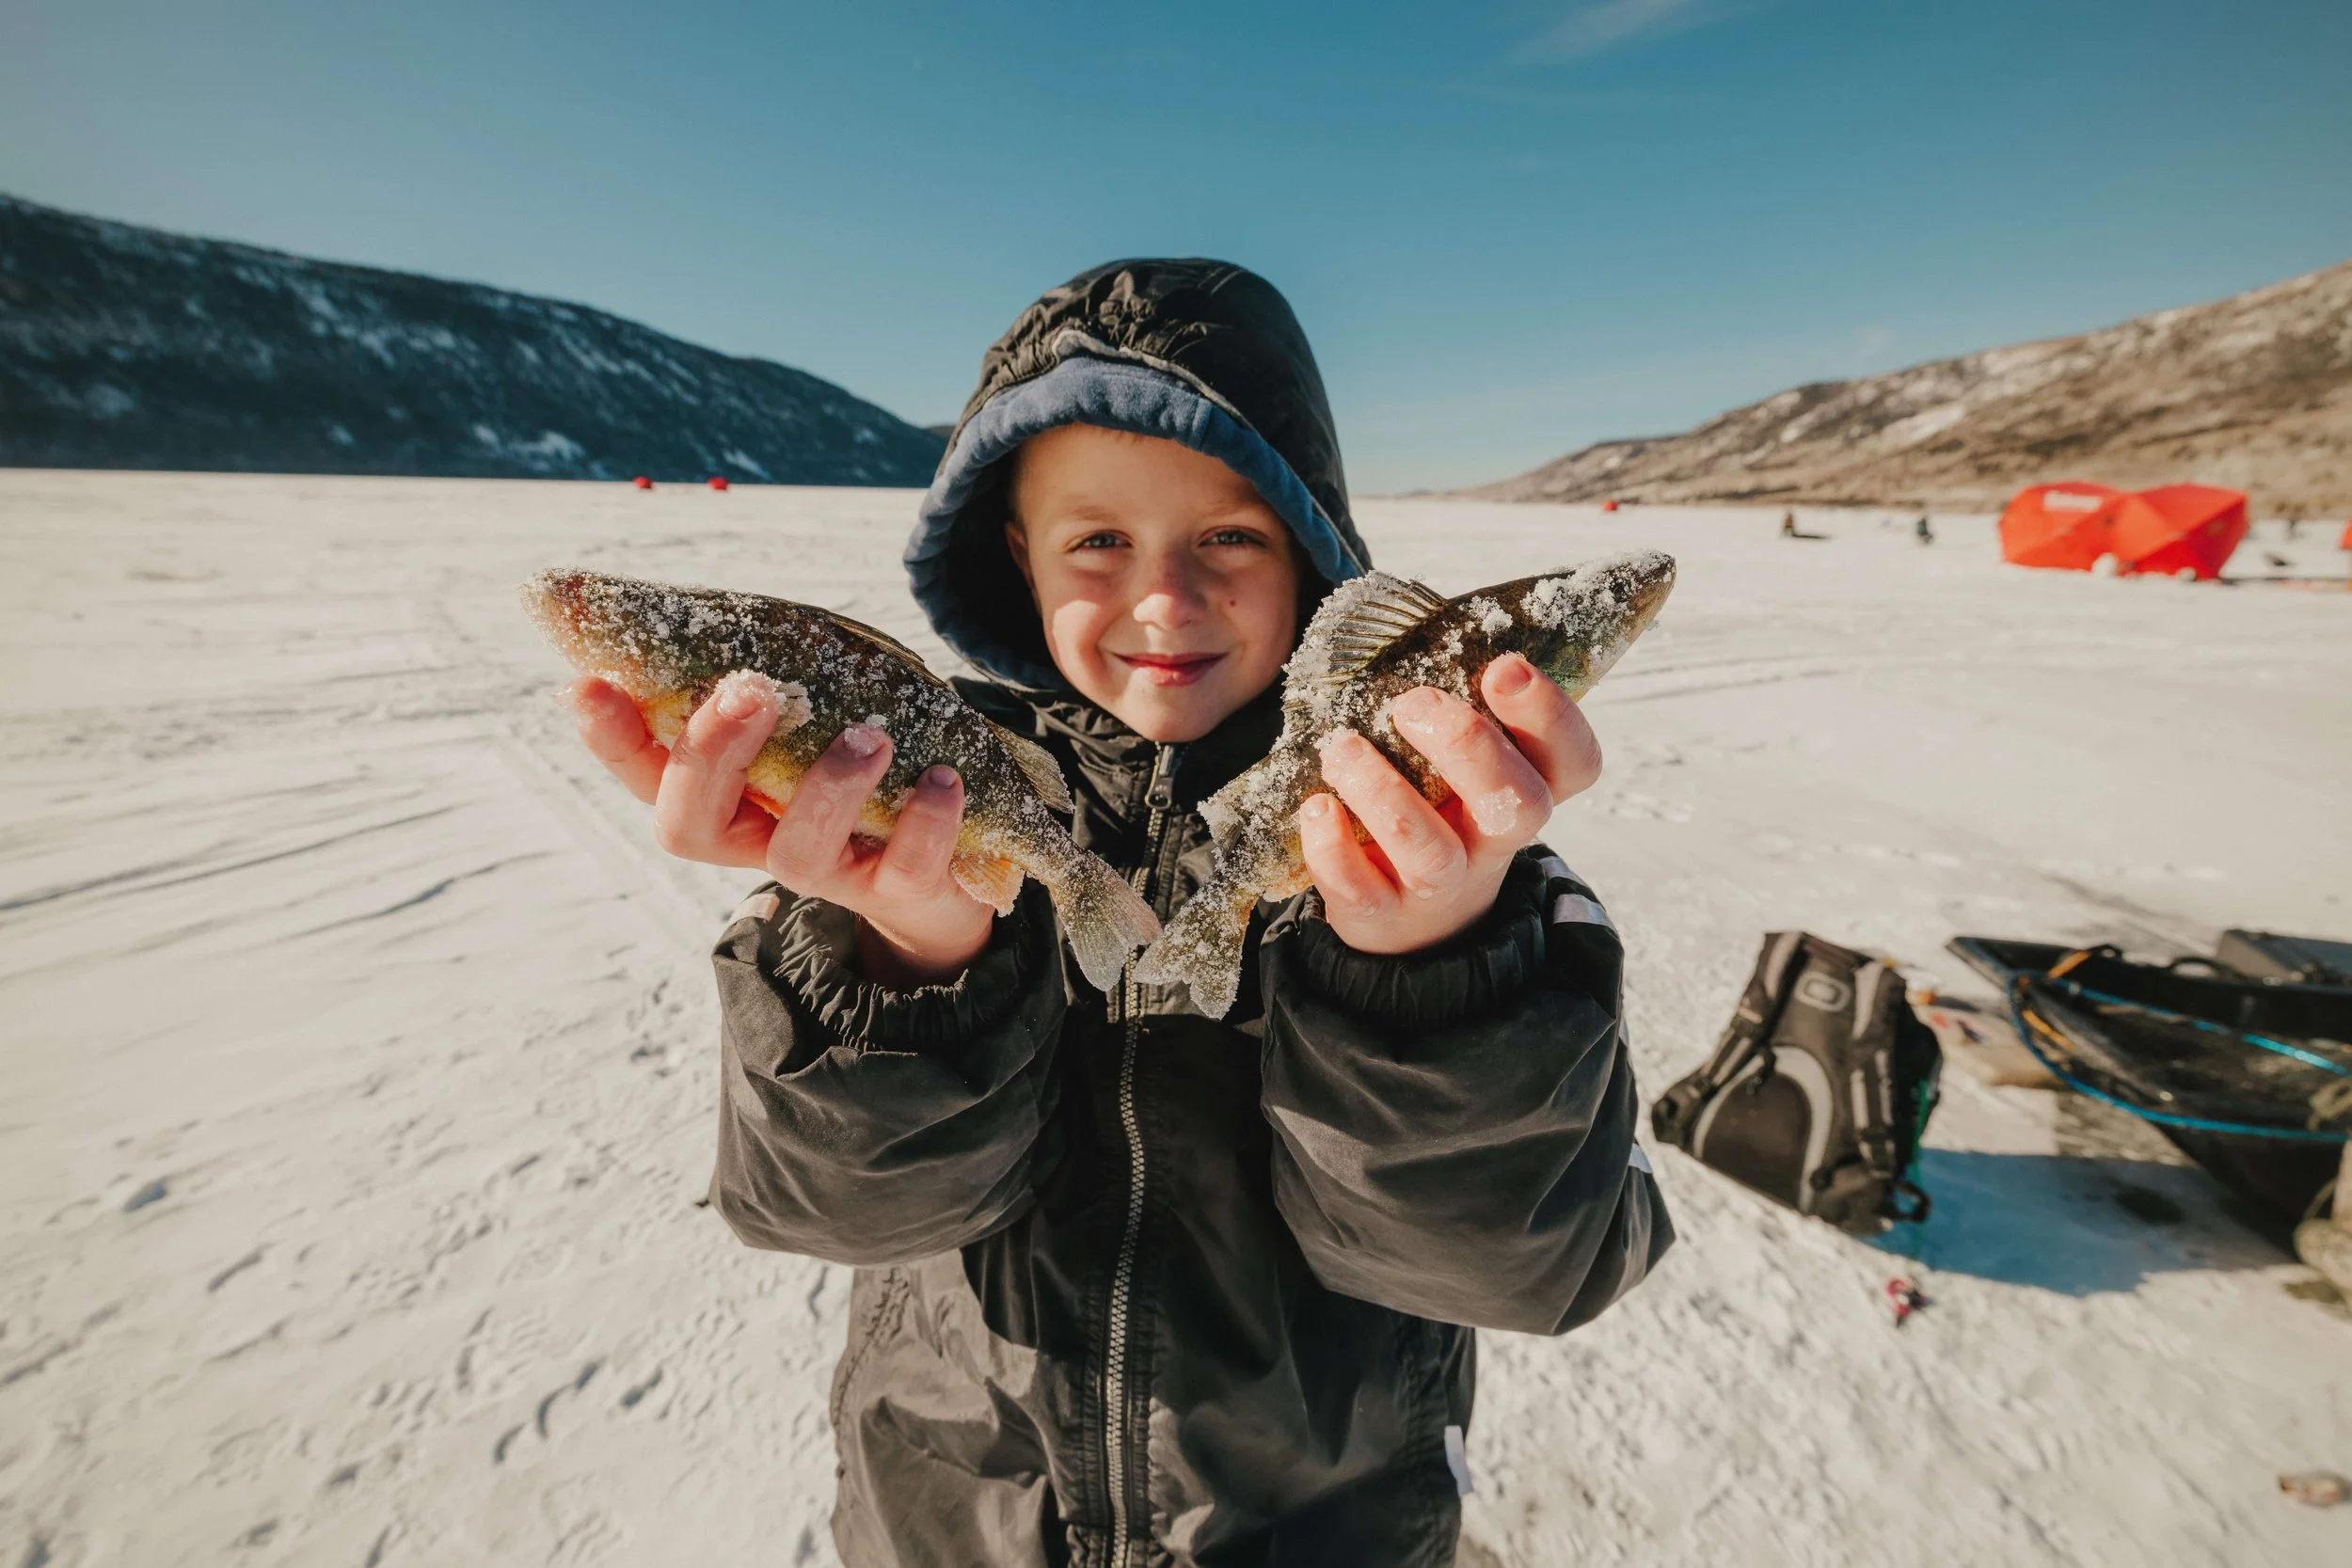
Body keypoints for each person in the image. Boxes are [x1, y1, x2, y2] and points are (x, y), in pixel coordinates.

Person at [564, 260, 1673, 1567]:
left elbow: (1521, 1267)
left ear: (1315, 558)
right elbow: (834, 1213)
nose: (1166, 599)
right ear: (1014, 560)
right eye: (1099, 540)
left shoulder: (1471, 875)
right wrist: (911, 949)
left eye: (1231, 536)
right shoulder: (905, 806)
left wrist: (1421, 965)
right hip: (950, 1520)